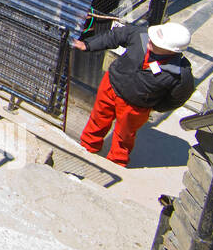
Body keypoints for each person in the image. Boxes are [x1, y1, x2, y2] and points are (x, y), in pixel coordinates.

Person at [72, 21, 195, 167]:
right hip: (111, 85)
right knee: (98, 117)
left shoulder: (181, 74)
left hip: (137, 106)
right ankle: (88, 146)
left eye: (157, 42)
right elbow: (115, 36)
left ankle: (116, 162)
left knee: (125, 134)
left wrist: (151, 105)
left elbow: (177, 98)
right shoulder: (140, 35)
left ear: (172, 51)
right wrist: (88, 45)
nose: (151, 40)